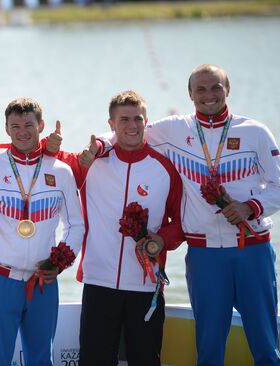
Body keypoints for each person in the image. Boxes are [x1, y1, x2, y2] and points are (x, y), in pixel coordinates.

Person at [90, 65, 280, 365]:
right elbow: (128, 131)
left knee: (265, 347)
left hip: (253, 250)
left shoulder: (255, 132)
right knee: (209, 350)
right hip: (204, 255)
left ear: (228, 89)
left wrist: (251, 207)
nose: (208, 95)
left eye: (216, 88)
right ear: (190, 94)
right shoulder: (174, 129)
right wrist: (98, 146)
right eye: (201, 89)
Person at [0, 97, 84, 366]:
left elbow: (76, 226)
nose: (23, 132)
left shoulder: (62, 172)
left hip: (43, 280)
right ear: (6, 129)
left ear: (41, 125)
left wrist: (59, 263)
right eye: (15, 125)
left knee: (42, 360)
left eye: (29, 124)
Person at [50, 91, 184, 365]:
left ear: (146, 121)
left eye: (138, 119)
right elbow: (45, 158)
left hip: (146, 287)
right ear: (111, 124)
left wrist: (161, 240)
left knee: (145, 360)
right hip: (99, 283)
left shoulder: (164, 168)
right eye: (123, 119)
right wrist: (50, 143)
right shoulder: (91, 160)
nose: (132, 125)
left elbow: (183, 223)